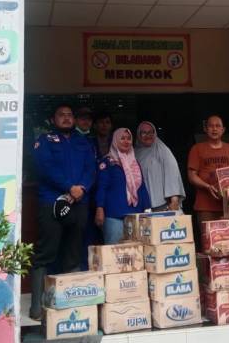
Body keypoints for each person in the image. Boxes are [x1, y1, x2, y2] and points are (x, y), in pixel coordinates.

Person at [29, 104, 96, 320]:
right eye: (61, 115)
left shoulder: (83, 142)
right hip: (52, 202)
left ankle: (70, 304)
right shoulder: (45, 141)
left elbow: (91, 168)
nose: (66, 118)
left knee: (73, 252)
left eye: (70, 115)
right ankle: (37, 307)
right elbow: (44, 168)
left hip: (78, 203)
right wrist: (69, 187)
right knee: (46, 252)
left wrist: (82, 188)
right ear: (53, 119)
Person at [95, 127, 151, 243]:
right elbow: (101, 187)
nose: (126, 141)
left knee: (136, 251)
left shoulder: (134, 163)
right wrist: (99, 208)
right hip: (114, 215)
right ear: (115, 140)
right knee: (115, 250)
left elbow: (141, 187)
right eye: (122, 138)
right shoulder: (107, 162)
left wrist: (147, 209)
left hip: (135, 214)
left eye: (129, 138)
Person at [187, 115, 229, 226]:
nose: (214, 129)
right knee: (208, 235)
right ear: (205, 129)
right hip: (206, 205)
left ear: (223, 129)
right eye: (211, 126)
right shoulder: (197, 149)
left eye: (218, 126)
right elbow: (191, 175)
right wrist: (207, 186)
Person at [135, 121, 186, 211]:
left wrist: (174, 200)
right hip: (143, 205)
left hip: (165, 205)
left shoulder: (162, 150)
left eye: (150, 132)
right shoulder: (134, 153)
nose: (148, 135)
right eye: (144, 133)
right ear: (138, 135)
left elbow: (172, 174)